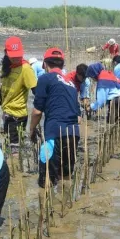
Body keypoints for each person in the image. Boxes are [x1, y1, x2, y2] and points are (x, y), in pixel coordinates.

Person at [29, 48, 81, 190]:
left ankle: (47, 209)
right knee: (66, 176)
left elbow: (37, 111)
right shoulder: (71, 84)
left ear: (45, 64)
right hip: (74, 133)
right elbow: (79, 116)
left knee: (46, 180)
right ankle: (66, 205)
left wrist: (32, 130)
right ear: (63, 65)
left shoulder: (44, 78)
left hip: (54, 134)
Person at [0, 36, 37, 155]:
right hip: (7, 113)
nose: (16, 58)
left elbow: (36, 90)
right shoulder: (6, 67)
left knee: (14, 150)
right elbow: (3, 89)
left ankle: (15, 170)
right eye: (13, 55)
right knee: (8, 144)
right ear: (6, 53)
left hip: (18, 115)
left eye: (18, 55)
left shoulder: (26, 69)